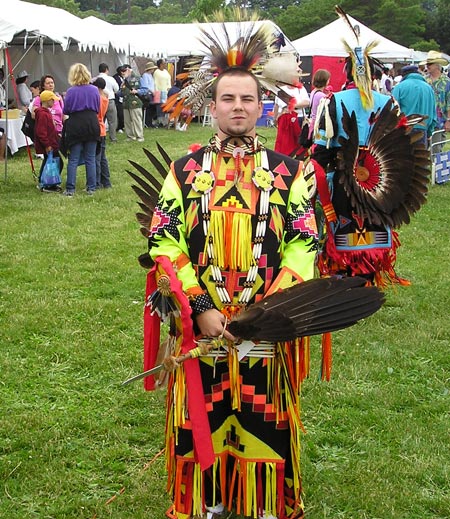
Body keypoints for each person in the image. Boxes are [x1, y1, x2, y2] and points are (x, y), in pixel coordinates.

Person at [135, 19, 319, 519]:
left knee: (265, 421)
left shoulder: (289, 172)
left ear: (261, 106)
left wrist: (266, 310)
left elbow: (305, 240)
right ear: (212, 106)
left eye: (248, 99)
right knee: (203, 421)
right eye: (228, 99)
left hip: (265, 324)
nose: (238, 107)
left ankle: (262, 506)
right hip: (203, 330)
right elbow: (165, 238)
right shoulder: (185, 171)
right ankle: (207, 504)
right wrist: (198, 308)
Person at [311, 26, 430, 287]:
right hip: (380, 176)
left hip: (344, 178)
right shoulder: (387, 101)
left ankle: (345, 274)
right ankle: (368, 273)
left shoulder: (334, 100)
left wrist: (314, 174)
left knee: (345, 223)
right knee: (375, 220)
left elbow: (322, 146)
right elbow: (398, 141)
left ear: (349, 72)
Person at [62, 63, 100, 197]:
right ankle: (91, 188)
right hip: (91, 122)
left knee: (73, 158)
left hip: (76, 123)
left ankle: (70, 189)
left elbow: (66, 110)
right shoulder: (95, 90)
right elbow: (97, 108)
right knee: (90, 157)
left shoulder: (71, 91)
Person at [392, 64, 437, 147]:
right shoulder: (429, 88)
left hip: (404, 129)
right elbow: (433, 113)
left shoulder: (399, 87)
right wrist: (430, 131)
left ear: (404, 75)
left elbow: (393, 110)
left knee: (404, 159)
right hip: (423, 129)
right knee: (420, 158)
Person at [273, 67, 309, 156]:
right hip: (284, 120)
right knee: (284, 145)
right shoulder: (281, 90)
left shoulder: (301, 89)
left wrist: (293, 106)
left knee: (299, 144)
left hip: (298, 118)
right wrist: (275, 118)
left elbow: (307, 102)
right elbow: (277, 105)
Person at [420, 50, 450, 152]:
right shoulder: (423, 81)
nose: (427, 66)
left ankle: (436, 168)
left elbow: (449, 102)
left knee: (436, 150)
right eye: (427, 64)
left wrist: (448, 121)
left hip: (439, 121)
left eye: (430, 64)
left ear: (437, 65)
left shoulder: (447, 82)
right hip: (424, 120)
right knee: (422, 150)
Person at [34, 90, 63, 192]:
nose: (54, 102)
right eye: (53, 100)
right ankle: (48, 184)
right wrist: (47, 144)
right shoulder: (43, 114)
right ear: (47, 101)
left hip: (51, 142)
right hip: (49, 144)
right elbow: (41, 132)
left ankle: (48, 182)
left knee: (50, 162)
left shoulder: (45, 113)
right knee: (55, 163)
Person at [92, 77, 112, 189]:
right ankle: (106, 181)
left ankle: (97, 182)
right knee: (103, 157)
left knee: (96, 158)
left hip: (97, 129)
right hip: (102, 129)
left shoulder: (97, 99)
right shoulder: (105, 97)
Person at [97, 63, 119, 143]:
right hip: (110, 100)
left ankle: (101, 136)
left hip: (98, 100)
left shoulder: (95, 79)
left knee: (100, 119)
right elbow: (116, 89)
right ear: (106, 69)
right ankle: (113, 138)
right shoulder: (111, 79)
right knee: (112, 121)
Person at [308, 69, 331, 143]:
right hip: (318, 125)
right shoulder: (321, 95)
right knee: (320, 142)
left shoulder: (314, 92)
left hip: (313, 122)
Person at [122, 69, 145, 142]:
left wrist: (137, 91)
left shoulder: (138, 78)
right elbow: (121, 91)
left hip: (135, 102)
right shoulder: (124, 81)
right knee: (127, 121)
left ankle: (139, 136)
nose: (123, 73)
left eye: (124, 71)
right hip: (126, 103)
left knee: (137, 120)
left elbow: (145, 89)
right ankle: (130, 136)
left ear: (129, 71)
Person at [153, 58, 172, 127]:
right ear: (160, 64)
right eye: (164, 63)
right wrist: (156, 92)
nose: (165, 64)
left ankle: (164, 121)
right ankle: (160, 121)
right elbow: (155, 83)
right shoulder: (157, 72)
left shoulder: (166, 71)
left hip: (165, 91)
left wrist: (169, 87)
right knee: (159, 107)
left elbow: (168, 79)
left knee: (164, 107)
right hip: (159, 91)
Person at [139, 61, 157, 128]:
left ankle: (150, 122)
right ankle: (147, 122)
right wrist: (152, 91)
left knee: (152, 108)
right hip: (148, 93)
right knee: (149, 108)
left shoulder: (150, 75)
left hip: (152, 93)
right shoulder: (145, 75)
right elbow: (146, 86)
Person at [113, 65, 128, 133]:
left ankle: (123, 126)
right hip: (118, 98)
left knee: (123, 113)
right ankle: (119, 127)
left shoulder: (125, 78)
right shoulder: (115, 78)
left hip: (124, 97)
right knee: (120, 113)